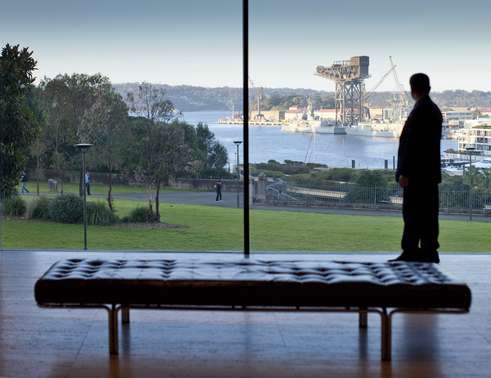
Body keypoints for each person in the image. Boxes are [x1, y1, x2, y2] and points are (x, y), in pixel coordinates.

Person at [391, 73, 442, 263]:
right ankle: (428, 251)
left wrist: (404, 172)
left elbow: (412, 145)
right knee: (428, 214)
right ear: (428, 87)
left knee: (412, 214)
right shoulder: (433, 109)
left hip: (416, 175)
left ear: (412, 89)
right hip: (429, 174)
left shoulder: (420, 110)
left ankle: (411, 251)